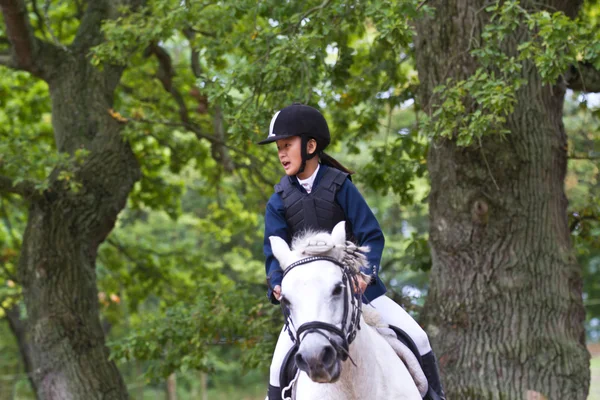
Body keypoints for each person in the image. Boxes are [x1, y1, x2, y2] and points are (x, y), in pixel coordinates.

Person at [259, 103, 446, 400]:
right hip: (310, 305)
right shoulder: (278, 200)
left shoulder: (340, 186)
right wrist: (277, 282)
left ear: (310, 145)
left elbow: (371, 234)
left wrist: (365, 274)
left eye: (286, 145)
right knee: (277, 365)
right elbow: (273, 251)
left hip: (358, 292)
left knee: (419, 337)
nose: (281, 153)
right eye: (278, 147)